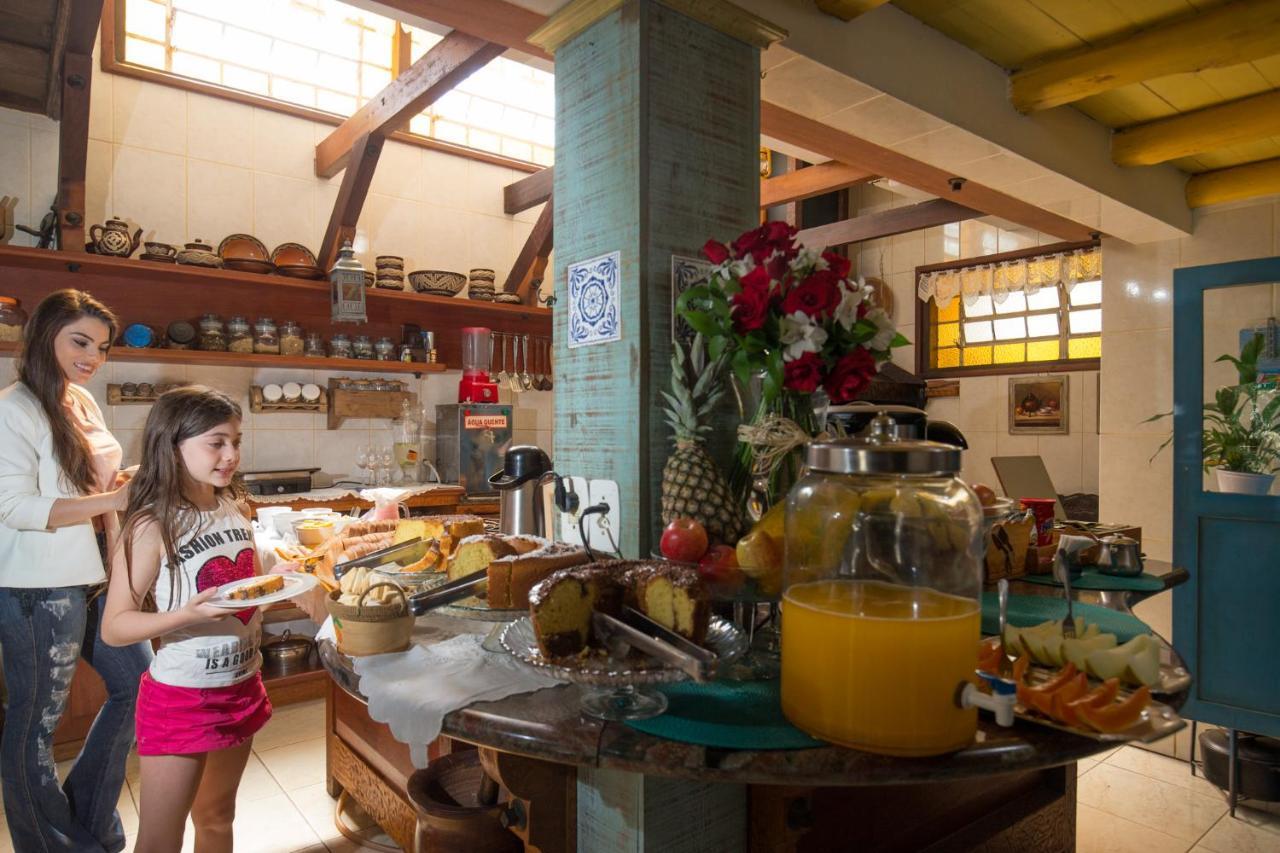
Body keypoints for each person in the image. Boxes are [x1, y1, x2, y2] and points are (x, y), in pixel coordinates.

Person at [0, 289, 153, 852]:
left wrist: (126, 483)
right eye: (80, 341)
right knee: (35, 722)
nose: (93, 356)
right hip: (35, 587)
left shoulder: (80, 401)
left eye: (103, 347)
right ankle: (50, 843)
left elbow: (88, 485)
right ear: (45, 336)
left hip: (95, 575)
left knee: (139, 686)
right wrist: (110, 503)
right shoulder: (11, 409)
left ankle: (86, 821)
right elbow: (14, 508)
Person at [103, 386, 272, 853]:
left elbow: (244, 592)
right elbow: (115, 626)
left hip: (241, 683)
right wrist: (185, 614)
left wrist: (280, 578)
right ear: (172, 445)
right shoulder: (151, 523)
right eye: (216, 443)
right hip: (181, 696)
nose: (232, 454)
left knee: (217, 818)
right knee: (161, 840)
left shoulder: (234, 507)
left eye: (236, 441)